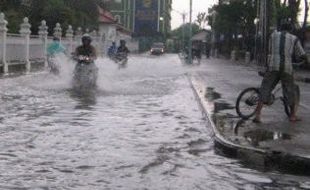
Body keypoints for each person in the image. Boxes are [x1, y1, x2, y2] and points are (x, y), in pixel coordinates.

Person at [253, 22, 307, 123]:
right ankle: (292, 115)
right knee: (289, 90)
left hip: (273, 65)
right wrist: (306, 60)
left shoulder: (273, 35)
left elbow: (270, 50)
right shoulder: (294, 38)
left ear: (280, 28)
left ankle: (258, 114)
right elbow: (301, 54)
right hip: (286, 68)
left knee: (265, 88)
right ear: (290, 30)